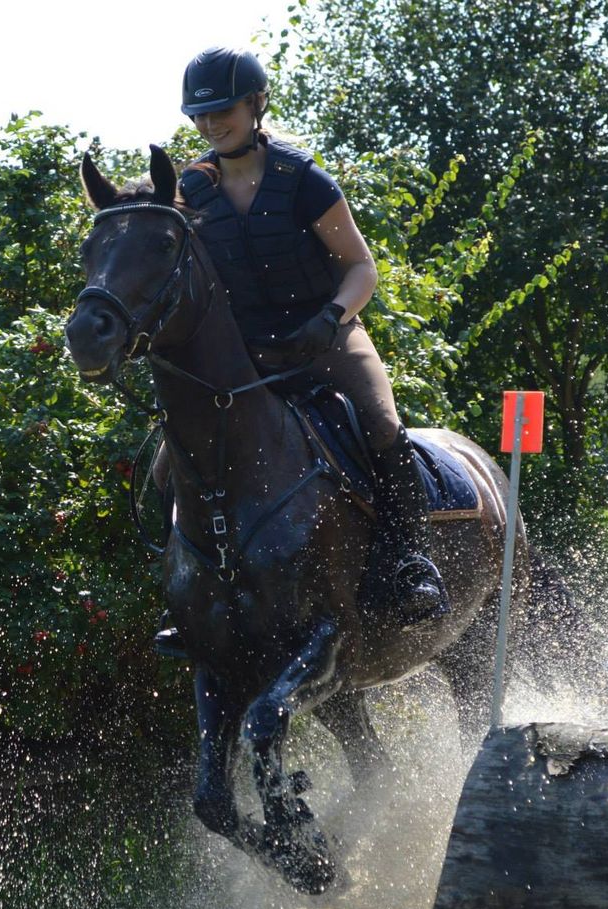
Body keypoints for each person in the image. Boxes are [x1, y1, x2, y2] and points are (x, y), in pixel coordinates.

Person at [170, 45, 449, 624]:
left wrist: (330, 319)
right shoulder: (191, 190)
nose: (210, 124)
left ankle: (412, 563)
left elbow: (361, 268)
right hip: (243, 354)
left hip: (325, 336)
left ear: (255, 104)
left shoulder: (304, 181)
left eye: (223, 110)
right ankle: (190, 585)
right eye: (200, 115)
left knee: (381, 425)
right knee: (167, 459)